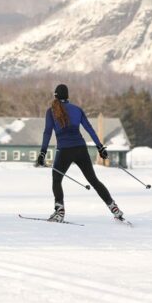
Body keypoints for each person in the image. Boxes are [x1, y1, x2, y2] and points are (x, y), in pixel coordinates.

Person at [37, 84, 126, 223]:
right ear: (67, 96)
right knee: (94, 180)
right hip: (80, 149)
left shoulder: (51, 111)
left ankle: (59, 211)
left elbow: (47, 132)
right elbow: (89, 129)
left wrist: (43, 152)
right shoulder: (77, 110)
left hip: (64, 150)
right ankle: (113, 207)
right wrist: (100, 147)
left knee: (56, 180)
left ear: (55, 96)